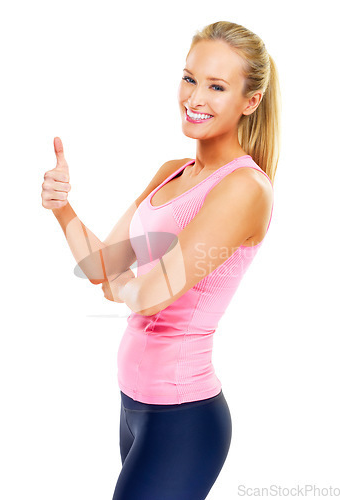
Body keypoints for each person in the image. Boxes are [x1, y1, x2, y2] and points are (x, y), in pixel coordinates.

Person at [41, 20, 281, 500]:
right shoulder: (171, 173)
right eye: (190, 78)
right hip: (133, 406)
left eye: (217, 86)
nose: (195, 98)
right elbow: (100, 267)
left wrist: (123, 285)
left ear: (249, 101)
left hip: (184, 418)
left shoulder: (244, 188)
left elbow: (149, 297)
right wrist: (62, 206)